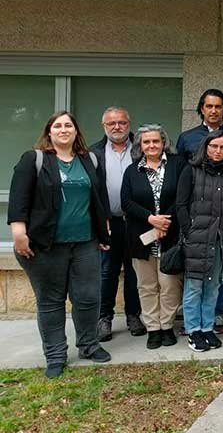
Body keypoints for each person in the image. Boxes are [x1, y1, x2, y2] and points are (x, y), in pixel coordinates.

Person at [8, 111, 112, 378]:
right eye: (58, 126)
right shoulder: (35, 159)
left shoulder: (90, 159)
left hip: (85, 243)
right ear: (49, 132)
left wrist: (103, 232)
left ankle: (89, 345)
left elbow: (98, 198)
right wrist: (19, 231)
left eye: (69, 125)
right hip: (46, 245)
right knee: (51, 302)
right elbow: (19, 197)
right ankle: (55, 355)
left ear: (76, 131)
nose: (63, 129)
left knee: (88, 298)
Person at [176, 89, 223, 334]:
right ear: (202, 109)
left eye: (218, 106)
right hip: (198, 225)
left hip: (222, 224)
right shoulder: (187, 138)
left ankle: (215, 319)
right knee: (195, 281)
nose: (214, 110)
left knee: (218, 278)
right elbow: (181, 199)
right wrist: (188, 228)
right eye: (209, 106)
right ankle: (193, 326)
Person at [120, 124, 187, 349]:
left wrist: (165, 222)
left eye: (156, 141)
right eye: (146, 142)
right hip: (141, 237)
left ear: (163, 143)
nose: (151, 145)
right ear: (140, 145)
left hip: (171, 234)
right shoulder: (132, 171)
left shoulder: (178, 165)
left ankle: (167, 326)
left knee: (169, 284)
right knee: (146, 285)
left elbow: (183, 196)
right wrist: (151, 219)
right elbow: (126, 203)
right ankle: (153, 329)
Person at [90, 106, 145, 342]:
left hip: (137, 222)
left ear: (129, 124)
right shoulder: (94, 153)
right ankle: (104, 318)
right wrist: (98, 220)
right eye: (111, 123)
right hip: (109, 223)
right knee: (107, 272)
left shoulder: (142, 149)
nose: (117, 127)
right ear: (104, 126)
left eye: (121, 122)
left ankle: (134, 315)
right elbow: (90, 191)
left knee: (135, 272)